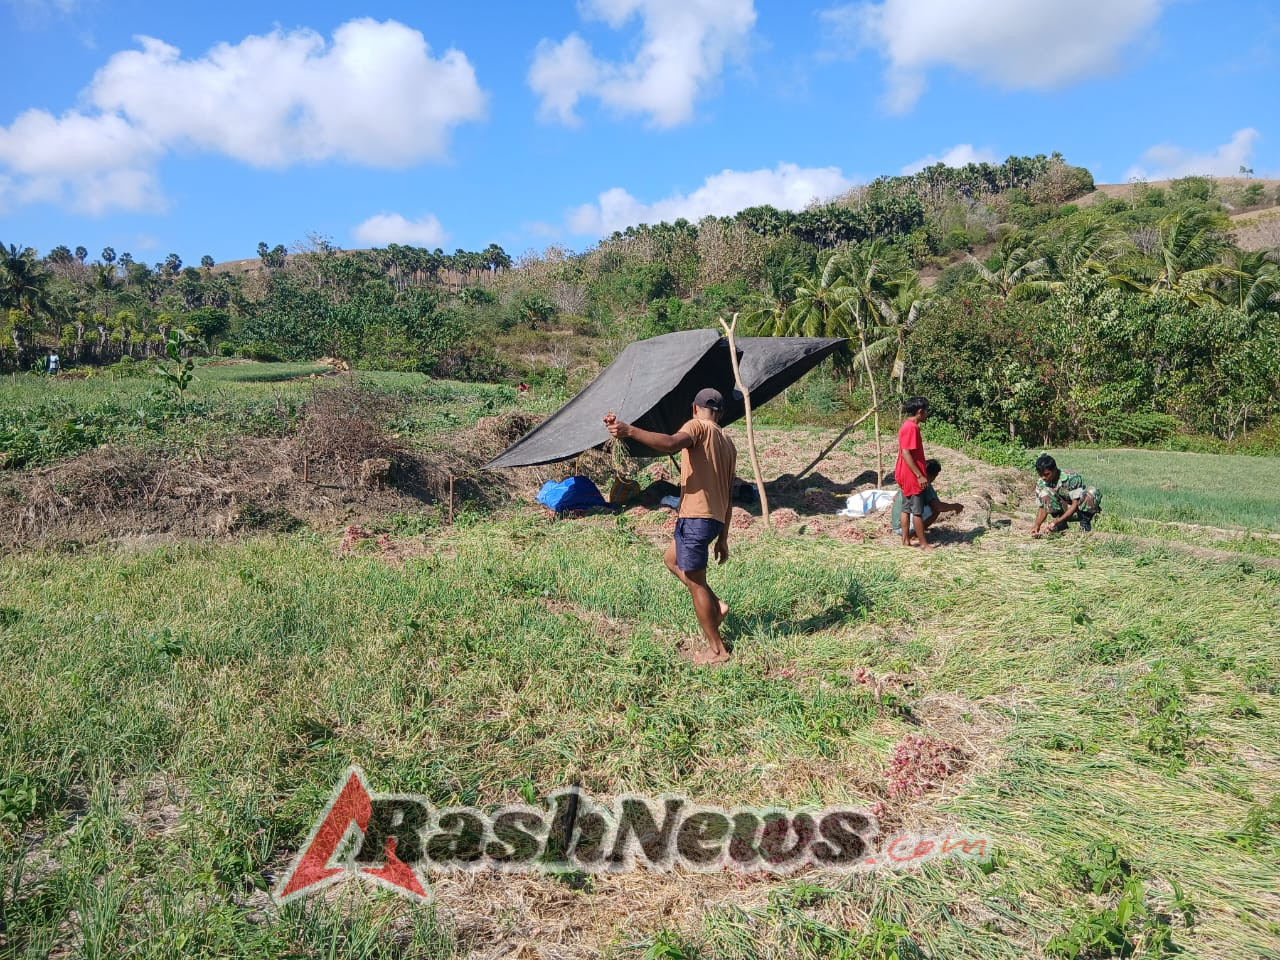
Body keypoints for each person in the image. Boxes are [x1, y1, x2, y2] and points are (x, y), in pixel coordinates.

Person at [604, 388, 737, 665]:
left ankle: (717, 650)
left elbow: (670, 443)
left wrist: (629, 431)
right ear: (721, 413)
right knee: (671, 559)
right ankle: (717, 605)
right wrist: (723, 537)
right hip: (711, 519)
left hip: (696, 518)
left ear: (694, 408)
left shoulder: (697, 427)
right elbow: (729, 494)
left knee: (696, 584)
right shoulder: (728, 443)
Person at [894, 397, 933, 550]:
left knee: (906, 508)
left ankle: (905, 540)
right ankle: (923, 544)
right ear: (920, 411)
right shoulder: (911, 428)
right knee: (917, 511)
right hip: (911, 475)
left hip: (904, 472)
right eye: (926, 411)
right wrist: (920, 475)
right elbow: (906, 453)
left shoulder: (907, 426)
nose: (927, 414)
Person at [1031, 454, 1102, 535]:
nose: (1043, 478)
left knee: (1092, 491)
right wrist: (1037, 525)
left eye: (1047, 474)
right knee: (1045, 493)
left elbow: (1075, 503)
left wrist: (1058, 520)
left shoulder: (1071, 477)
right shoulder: (1041, 484)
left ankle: (1084, 524)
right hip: (1062, 511)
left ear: (1055, 469)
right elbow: (1042, 508)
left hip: (1078, 510)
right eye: (1040, 475)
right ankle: (1061, 525)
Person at [890, 459, 964, 538]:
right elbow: (938, 507)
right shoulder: (925, 484)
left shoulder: (910, 480)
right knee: (934, 510)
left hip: (896, 526)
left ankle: (911, 534)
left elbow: (894, 498)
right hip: (904, 527)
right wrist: (955, 506)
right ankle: (914, 535)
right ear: (933, 475)